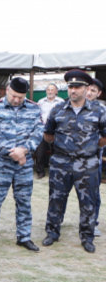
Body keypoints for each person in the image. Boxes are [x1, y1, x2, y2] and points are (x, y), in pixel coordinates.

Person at [42, 69, 106, 253]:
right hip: (61, 163)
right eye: (71, 87)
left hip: (87, 164)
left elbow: (104, 136)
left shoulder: (99, 110)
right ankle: (52, 233)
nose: (73, 91)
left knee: (88, 202)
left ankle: (87, 237)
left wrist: (89, 147)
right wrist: (65, 148)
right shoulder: (57, 109)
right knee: (56, 199)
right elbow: (48, 135)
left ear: (87, 89)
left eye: (77, 87)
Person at [0, 77, 42, 253]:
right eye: (14, 96)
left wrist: (23, 151)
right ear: (7, 90)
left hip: (24, 164)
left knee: (24, 202)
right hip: (1, 164)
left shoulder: (34, 108)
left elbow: (38, 134)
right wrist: (15, 154)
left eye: (20, 97)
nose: (16, 100)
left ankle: (24, 237)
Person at [86, 78, 104, 236]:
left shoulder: (102, 110)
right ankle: (57, 220)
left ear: (98, 94)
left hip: (92, 160)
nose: (89, 93)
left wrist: (94, 148)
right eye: (88, 89)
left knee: (93, 193)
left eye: (93, 90)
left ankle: (93, 222)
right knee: (61, 193)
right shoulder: (71, 106)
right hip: (69, 160)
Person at [35, 84, 64, 179]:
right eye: (48, 89)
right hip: (43, 130)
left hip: (57, 130)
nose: (50, 91)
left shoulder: (61, 102)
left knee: (57, 151)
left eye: (52, 90)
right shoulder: (41, 101)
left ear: (56, 91)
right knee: (40, 151)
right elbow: (37, 115)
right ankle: (40, 171)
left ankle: (57, 172)